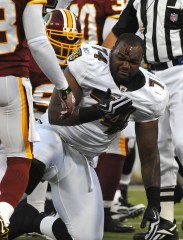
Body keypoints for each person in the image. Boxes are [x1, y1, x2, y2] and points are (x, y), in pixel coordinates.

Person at [8, 33, 168, 240]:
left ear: (142, 63)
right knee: (37, 160)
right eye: (121, 57)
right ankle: (7, 209)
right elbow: (56, 115)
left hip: (82, 158)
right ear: (111, 53)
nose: (126, 65)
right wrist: (99, 111)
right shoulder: (89, 62)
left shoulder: (151, 96)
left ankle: (31, 220)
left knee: (85, 237)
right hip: (53, 135)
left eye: (133, 61)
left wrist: (154, 203)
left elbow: (149, 155)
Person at [103, 1, 183, 239]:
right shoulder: (139, 0)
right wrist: (102, 68)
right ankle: (165, 223)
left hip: (181, 69)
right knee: (161, 151)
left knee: (181, 142)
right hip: (152, 75)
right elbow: (119, 32)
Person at [0, 1, 76, 239]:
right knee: (21, 158)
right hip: (12, 77)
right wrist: (64, 87)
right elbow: (38, 41)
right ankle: (2, 215)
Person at [69, 0, 144, 232]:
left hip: (70, 69)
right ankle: (105, 210)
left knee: (66, 140)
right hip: (98, 73)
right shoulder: (111, 4)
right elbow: (112, 43)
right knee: (116, 144)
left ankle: (55, 206)